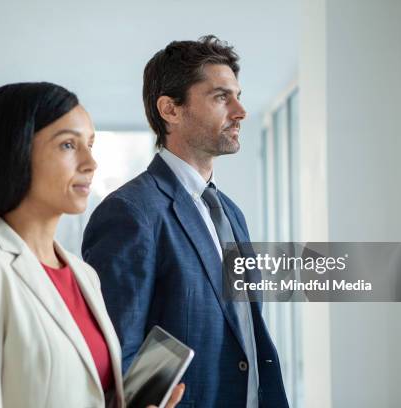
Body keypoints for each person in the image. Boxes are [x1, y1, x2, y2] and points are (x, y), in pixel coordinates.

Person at [0, 82, 184, 408]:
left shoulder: (84, 275)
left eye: (90, 144)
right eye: (67, 145)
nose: (90, 163)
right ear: (13, 152)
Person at [82, 36, 289, 407]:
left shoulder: (230, 212)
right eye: (221, 97)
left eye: (238, 95)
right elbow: (116, 360)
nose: (240, 111)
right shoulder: (130, 212)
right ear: (170, 110)